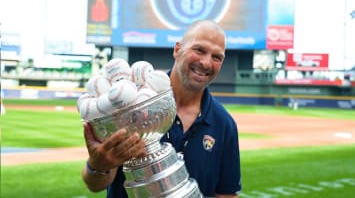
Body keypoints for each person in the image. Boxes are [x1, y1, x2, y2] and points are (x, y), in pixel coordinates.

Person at [81, 20, 242, 198]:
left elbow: (226, 193)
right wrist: (97, 166)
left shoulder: (224, 124)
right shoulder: (131, 103)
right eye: (199, 50)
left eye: (216, 57)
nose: (206, 62)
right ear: (177, 50)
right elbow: (95, 184)